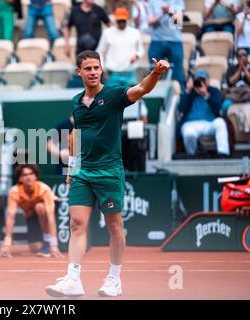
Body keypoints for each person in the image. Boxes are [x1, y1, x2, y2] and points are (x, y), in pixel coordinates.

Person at [45, 50, 169, 297]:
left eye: (96, 68)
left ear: (101, 70)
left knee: (114, 226)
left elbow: (142, 89)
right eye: (88, 68)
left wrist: (155, 73)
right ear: (79, 72)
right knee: (77, 224)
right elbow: (75, 137)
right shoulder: (76, 102)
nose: (93, 72)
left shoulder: (113, 94)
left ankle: (114, 279)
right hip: (82, 173)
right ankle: (73, 279)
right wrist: (71, 167)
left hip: (109, 172)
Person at [0, 164, 61, 258]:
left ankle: (47, 241)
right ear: (20, 178)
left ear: (35, 176)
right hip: (31, 215)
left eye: (31, 174)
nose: (28, 177)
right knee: (35, 248)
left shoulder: (44, 189)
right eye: (25, 175)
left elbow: (50, 218)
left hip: (48, 210)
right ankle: (43, 242)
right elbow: (11, 217)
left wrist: (54, 245)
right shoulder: (14, 192)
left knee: (39, 207)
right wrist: (7, 244)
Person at [177, 69, 230, 157]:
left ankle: (223, 153)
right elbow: (180, 109)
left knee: (220, 123)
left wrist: (206, 94)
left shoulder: (214, 91)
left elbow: (217, 108)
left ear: (208, 81)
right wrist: (187, 92)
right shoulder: (190, 92)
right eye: (198, 81)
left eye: (203, 80)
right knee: (189, 133)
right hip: (191, 123)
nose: (201, 83)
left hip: (210, 123)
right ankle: (192, 155)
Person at [96, 7, 144, 86]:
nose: (121, 22)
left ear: (127, 19)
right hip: (112, 73)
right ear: (115, 20)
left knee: (132, 96)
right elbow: (100, 51)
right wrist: (102, 66)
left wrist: (136, 56)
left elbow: (141, 50)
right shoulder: (107, 33)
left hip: (130, 72)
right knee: (112, 96)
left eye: (123, 20)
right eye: (119, 20)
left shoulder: (135, 33)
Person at [148, 0, 185, 91]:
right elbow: (150, 22)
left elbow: (179, 21)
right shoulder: (152, 2)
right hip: (157, 41)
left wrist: (170, 11)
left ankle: (179, 100)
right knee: (153, 74)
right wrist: (162, 14)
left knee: (178, 75)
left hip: (175, 41)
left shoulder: (178, 1)